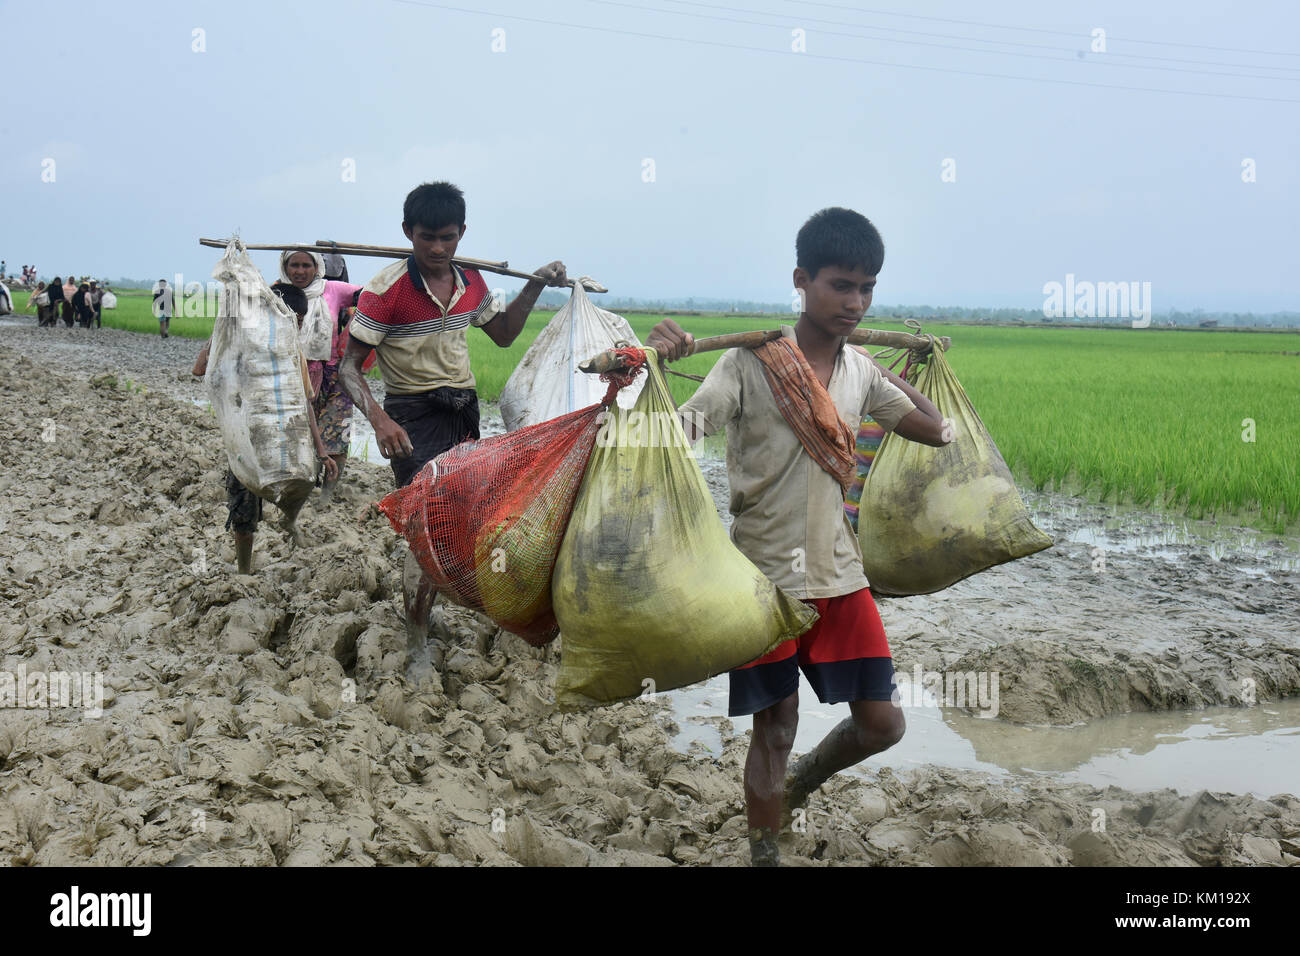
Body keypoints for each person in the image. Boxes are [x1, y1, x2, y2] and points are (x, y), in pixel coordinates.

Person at [647, 207, 950, 867]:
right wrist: (656, 369)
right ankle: (763, 852)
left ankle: (805, 782)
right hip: (764, 583)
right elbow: (674, 440)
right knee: (775, 728)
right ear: (801, 280)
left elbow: (937, 430)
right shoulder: (749, 363)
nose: (855, 300)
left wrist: (892, 363)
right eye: (841, 285)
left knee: (883, 725)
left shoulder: (862, 373)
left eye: (867, 288)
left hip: (840, 576)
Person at [337, 180, 569, 638]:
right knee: (425, 519)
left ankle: (430, 607)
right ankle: (416, 636)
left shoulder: (471, 281)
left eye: (448, 237)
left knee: (459, 517)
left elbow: (502, 333)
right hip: (411, 417)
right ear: (408, 232)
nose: (438, 248)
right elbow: (347, 368)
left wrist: (536, 285)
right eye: (428, 237)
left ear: (462, 231)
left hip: (463, 411)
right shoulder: (386, 292)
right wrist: (380, 422)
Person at [192, 282, 338, 574]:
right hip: (247, 443)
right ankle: (244, 570)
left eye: (298, 321)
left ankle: (289, 521)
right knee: (244, 507)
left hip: (283, 439)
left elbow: (305, 402)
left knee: (304, 481)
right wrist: (219, 336)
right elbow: (200, 371)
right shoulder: (240, 347)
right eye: (288, 320)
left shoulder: (291, 355)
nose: (293, 327)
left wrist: (321, 452)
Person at [277, 249, 362, 507]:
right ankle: (300, 487)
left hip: (334, 375)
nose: (300, 271)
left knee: (338, 434)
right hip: (293, 375)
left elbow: (369, 295)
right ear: (285, 266)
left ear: (317, 268)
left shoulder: (332, 290)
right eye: (294, 265)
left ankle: (327, 493)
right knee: (299, 434)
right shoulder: (276, 294)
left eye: (306, 265)